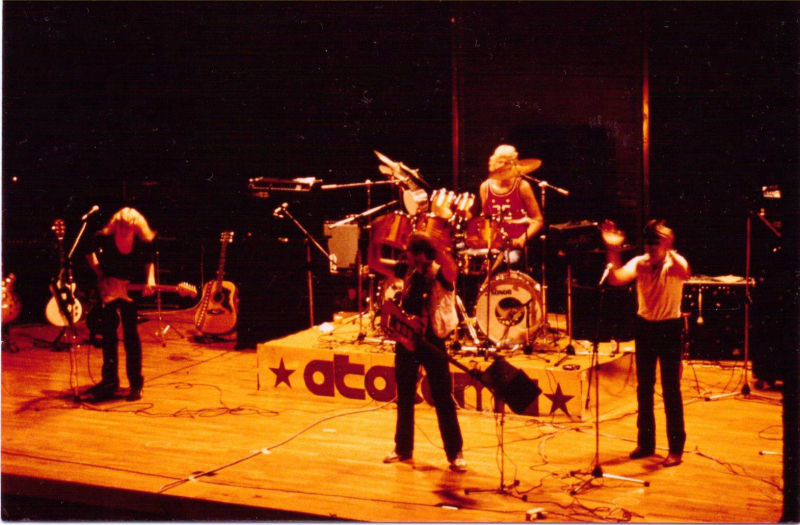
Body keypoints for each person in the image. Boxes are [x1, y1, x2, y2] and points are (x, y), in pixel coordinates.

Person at [601, 218, 691, 467]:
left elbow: (685, 272)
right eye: (649, 241)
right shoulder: (640, 263)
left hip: (669, 328)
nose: (651, 246)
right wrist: (612, 249)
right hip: (645, 327)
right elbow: (616, 278)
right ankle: (646, 443)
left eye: (656, 242)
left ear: (666, 243)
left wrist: (668, 248)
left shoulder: (675, 262)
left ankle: (676, 449)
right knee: (644, 388)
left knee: (671, 390)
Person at [383, 231, 467, 472]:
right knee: (405, 395)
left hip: (432, 341)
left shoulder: (440, 272)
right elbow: (377, 264)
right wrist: (377, 238)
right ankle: (403, 448)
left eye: (409, 253)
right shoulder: (408, 269)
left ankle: (455, 453)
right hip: (407, 339)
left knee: (442, 397)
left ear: (419, 254)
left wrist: (438, 247)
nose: (406, 256)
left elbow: (452, 270)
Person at [85, 207, 156, 402]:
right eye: (122, 226)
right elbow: (88, 252)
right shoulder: (105, 238)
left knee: (131, 336)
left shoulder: (142, 240)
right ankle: (109, 381)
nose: (125, 230)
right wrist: (100, 275)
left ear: (135, 226)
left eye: (128, 227)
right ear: (116, 224)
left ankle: (136, 384)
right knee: (108, 335)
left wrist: (150, 280)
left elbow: (149, 262)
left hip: (130, 289)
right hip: (109, 289)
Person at [478, 144, 544, 271]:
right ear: (494, 163)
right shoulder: (485, 187)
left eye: (508, 163)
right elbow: (486, 219)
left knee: (510, 260)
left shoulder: (522, 186)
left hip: (515, 243)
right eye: (501, 162)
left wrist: (522, 239)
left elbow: (537, 220)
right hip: (495, 244)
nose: (504, 166)